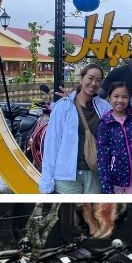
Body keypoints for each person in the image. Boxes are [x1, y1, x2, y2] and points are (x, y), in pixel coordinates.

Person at [38, 63, 109, 194]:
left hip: (94, 174)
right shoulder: (64, 106)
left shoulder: (104, 107)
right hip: (67, 176)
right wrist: (46, 183)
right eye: (90, 78)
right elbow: (51, 144)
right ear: (81, 79)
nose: (94, 83)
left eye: (98, 80)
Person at [94, 82, 132, 194]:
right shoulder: (105, 123)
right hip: (116, 183)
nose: (120, 100)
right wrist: (107, 187)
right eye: (116, 96)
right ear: (109, 97)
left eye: (124, 97)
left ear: (129, 99)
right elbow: (102, 158)